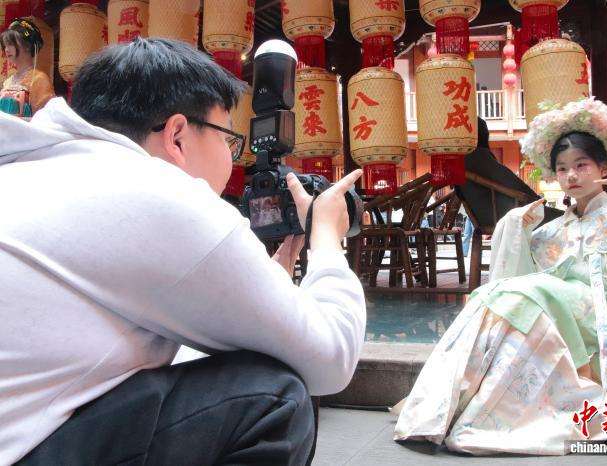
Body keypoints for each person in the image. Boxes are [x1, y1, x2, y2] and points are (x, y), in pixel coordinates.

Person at [0, 38, 366, 465]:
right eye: (229, 140)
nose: (232, 159)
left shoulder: (30, 168)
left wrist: (257, 294)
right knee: (273, 398)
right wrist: (326, 237)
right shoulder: (158, 192)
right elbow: (331, 360)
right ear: (177, 135)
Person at [394, 98, 607, 455]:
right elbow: (522, 276)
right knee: (497, 295)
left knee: (522, 291)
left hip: (605, 319)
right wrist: (517, 229)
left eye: (582, 165)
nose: (571, 176)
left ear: (604, 166)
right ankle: (446, 406)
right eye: (562, 168)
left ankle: (456, 408)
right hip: (562, 315)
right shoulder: (550, 231)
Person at [0, 17, 54, 118]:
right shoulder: (8, 81)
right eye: (5, 45)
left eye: (11, 44)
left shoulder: (39, 79)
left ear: (28, 46)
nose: (6, 49)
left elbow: (45, 117)